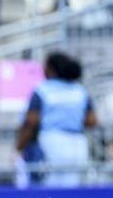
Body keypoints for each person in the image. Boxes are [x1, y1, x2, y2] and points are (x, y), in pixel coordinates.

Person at [15, 52, 96, 188]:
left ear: (51, 69)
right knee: (73, 187)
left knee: (51, 189)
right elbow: (92, 120)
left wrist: (19, 147)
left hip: (52, 142)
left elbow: (31, 122)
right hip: (78, 143)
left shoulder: (42, 90)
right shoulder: (80, 91)